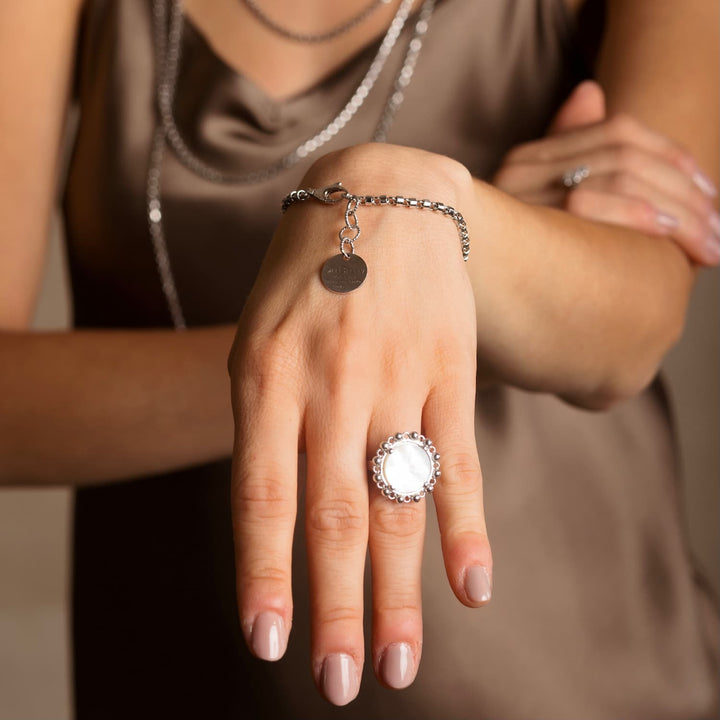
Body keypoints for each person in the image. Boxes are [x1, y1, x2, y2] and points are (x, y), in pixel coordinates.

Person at [1, 0, 718, 717]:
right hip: (183, 672)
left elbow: (643, 316)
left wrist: (427, 211)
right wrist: (362, 350)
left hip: (569, 675)